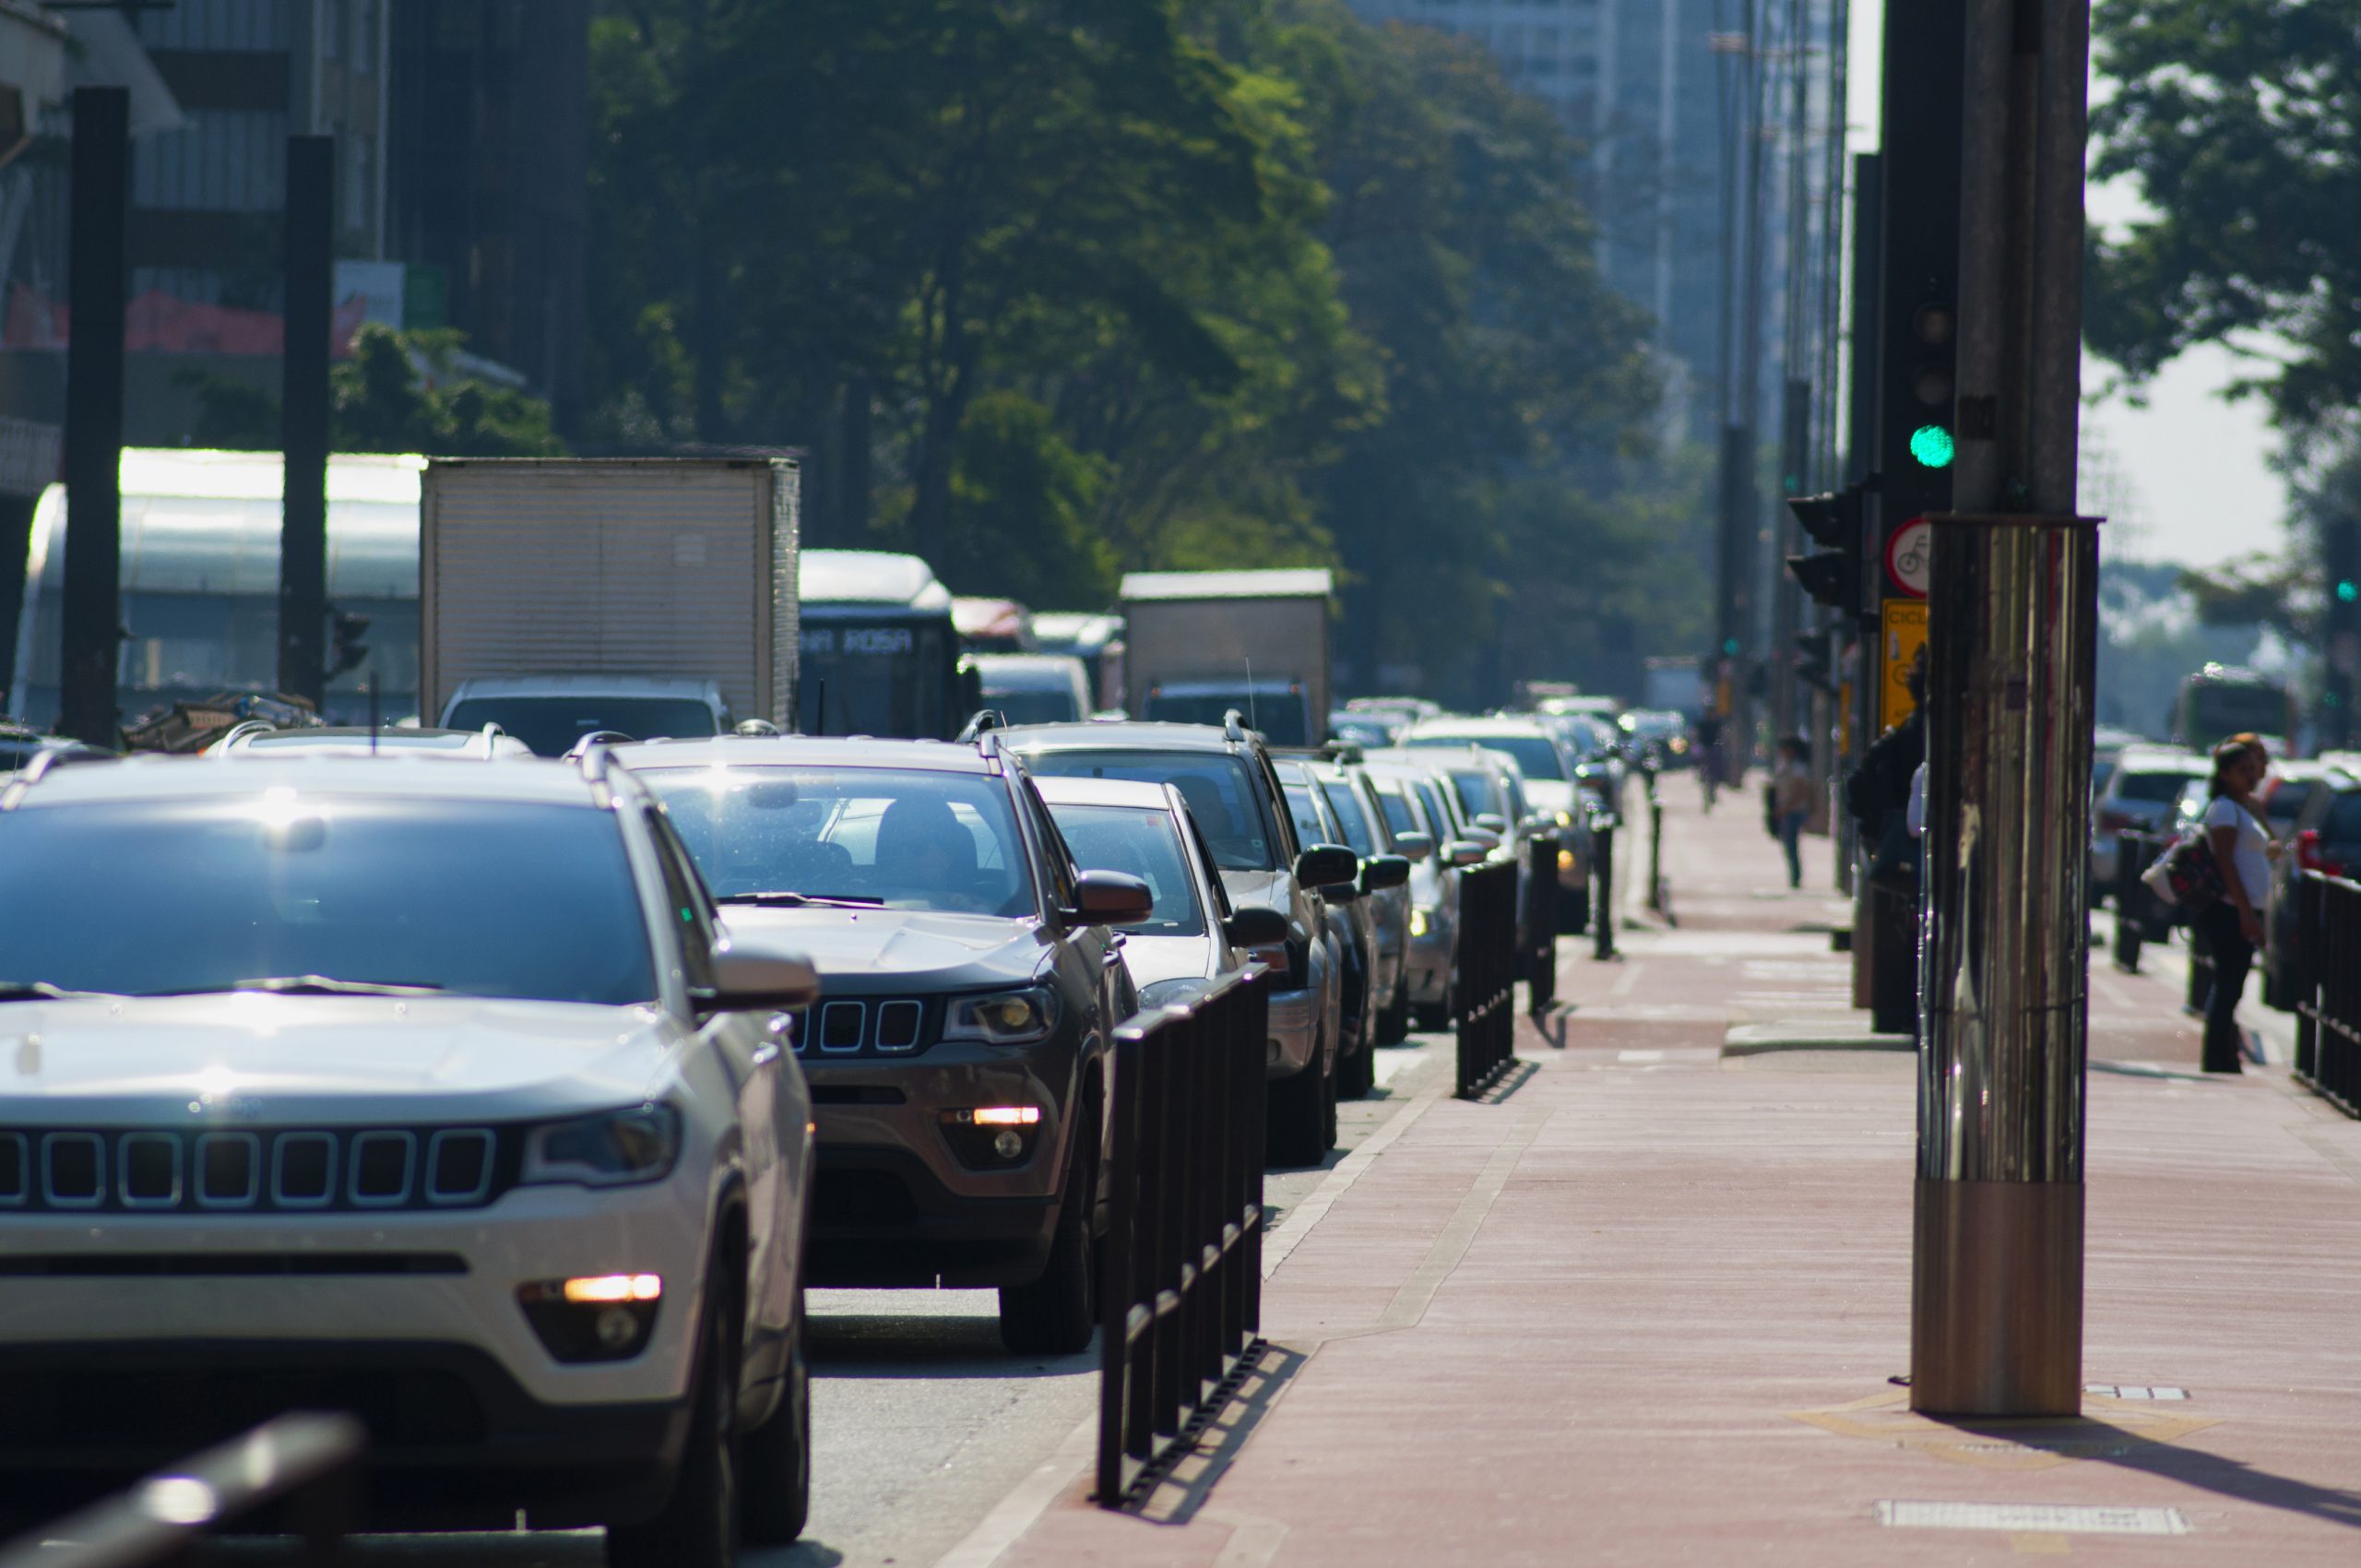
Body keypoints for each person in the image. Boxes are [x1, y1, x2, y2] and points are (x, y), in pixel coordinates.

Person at [2196, 734, 2278, 1073]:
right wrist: (2245, 912)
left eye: (2253, 768)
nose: (2252, 775)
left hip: (2240, 908)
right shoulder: (2225, 809)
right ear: (2225, 773)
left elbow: (2270, 845)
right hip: (2229, 910)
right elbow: (2226, 863)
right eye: (2243, 769)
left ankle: (2223, 1054)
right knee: (2229, 983)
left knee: (2233, 984)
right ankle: (2217, 1057)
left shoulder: (2242, 806)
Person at [1772, 737, 1813, 889]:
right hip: (1785, 810)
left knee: (1791, 845)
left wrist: (1786, 808)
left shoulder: (1798, 767)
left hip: (1794, 811)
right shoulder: (1784, 765)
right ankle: (1794, 875)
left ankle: (1795, 877)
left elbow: (1800, 791)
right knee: (1788, 845)